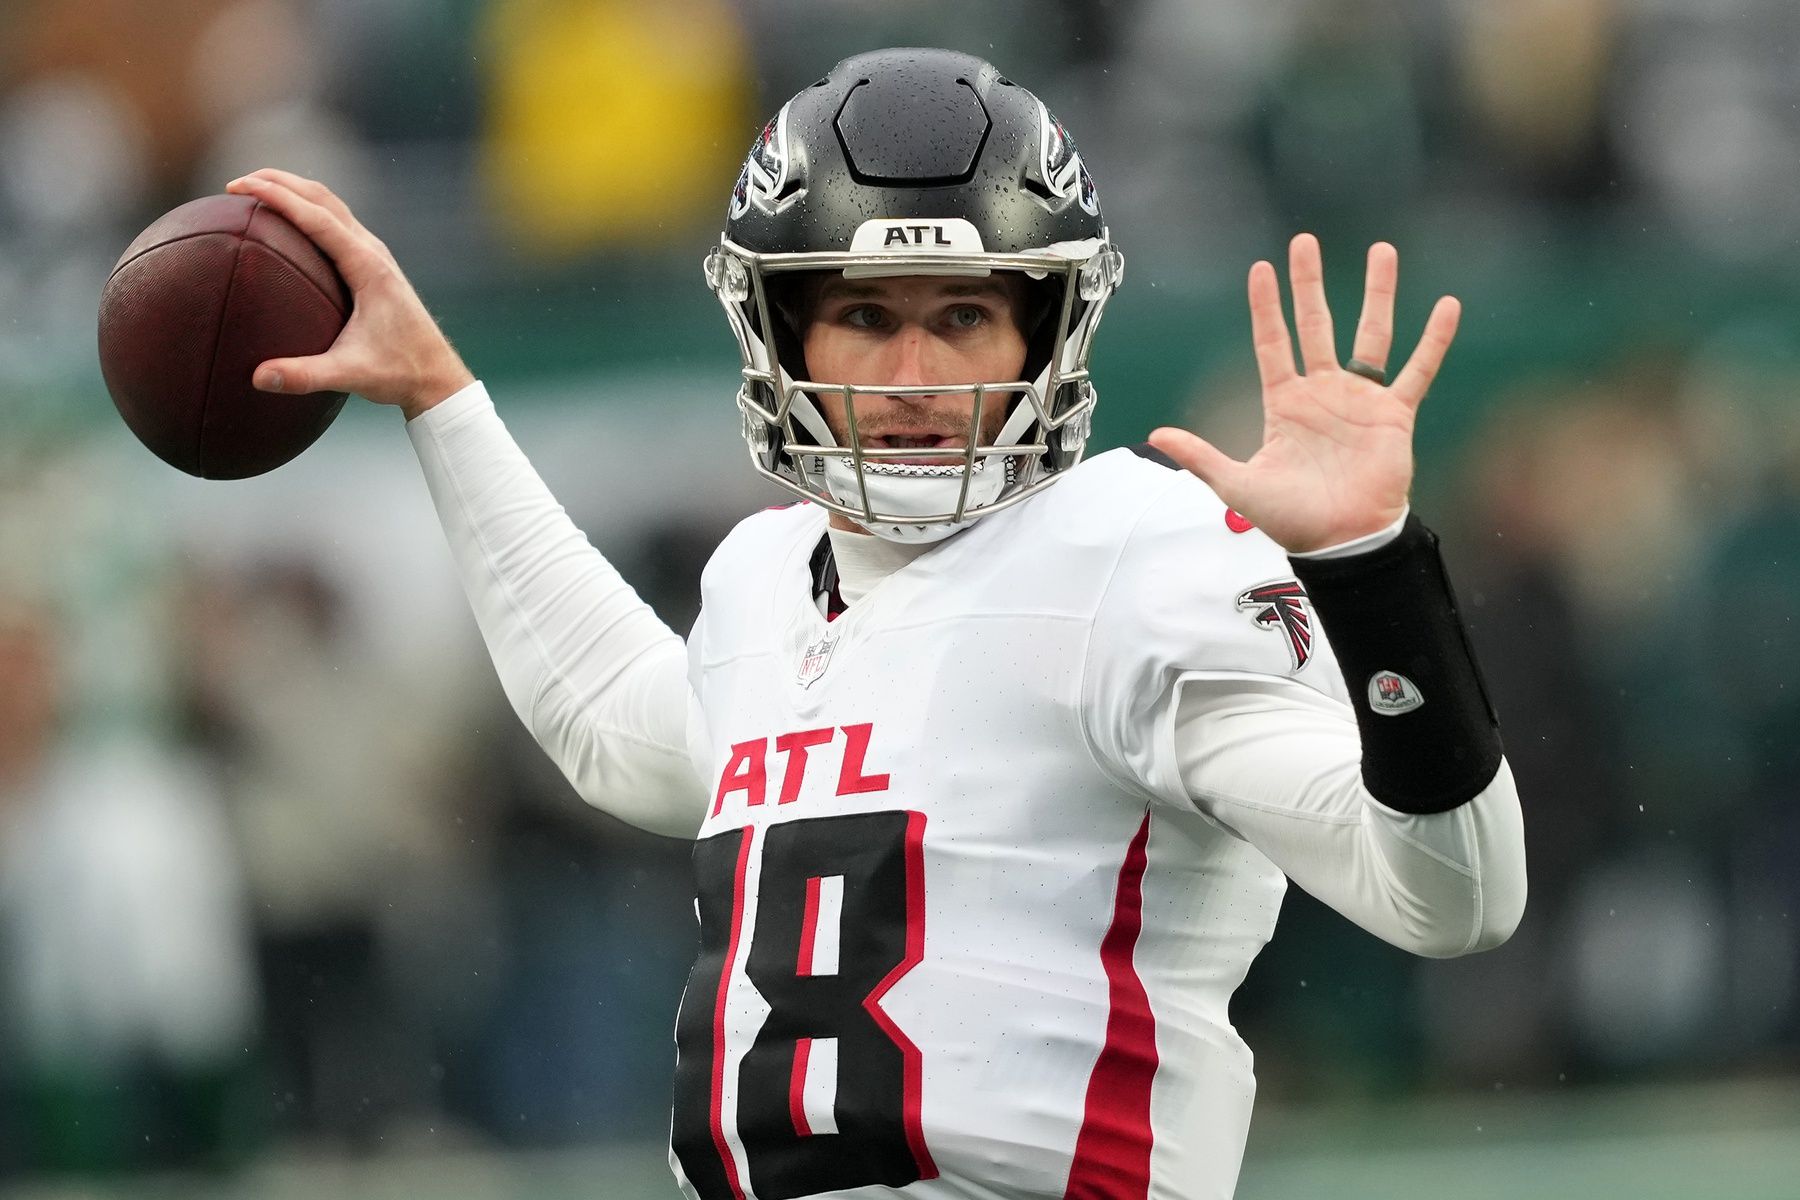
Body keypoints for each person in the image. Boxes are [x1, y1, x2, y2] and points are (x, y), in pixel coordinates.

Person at [226, 46, 1525, 1200]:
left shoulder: (1140, 555)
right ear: (782, 332)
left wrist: (1372, 574)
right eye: (862, 317)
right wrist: (440, 400)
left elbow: (1452, 895)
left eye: (962, 317)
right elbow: (624, 732)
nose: (912, 379)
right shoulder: (761, 577)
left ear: (1045, 334)